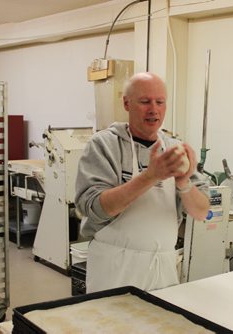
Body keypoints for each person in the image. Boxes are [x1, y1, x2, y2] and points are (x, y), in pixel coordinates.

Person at [75, 72, 210, 293]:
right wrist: (150, 176)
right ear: (127, 104)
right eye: (145, 101)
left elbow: (202, 212)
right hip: (115, 267)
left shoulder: (175, 150)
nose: (153, 109)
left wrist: (184, 183)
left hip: (163, 269)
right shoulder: (104, 144)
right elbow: (95, 208)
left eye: (160, 102)